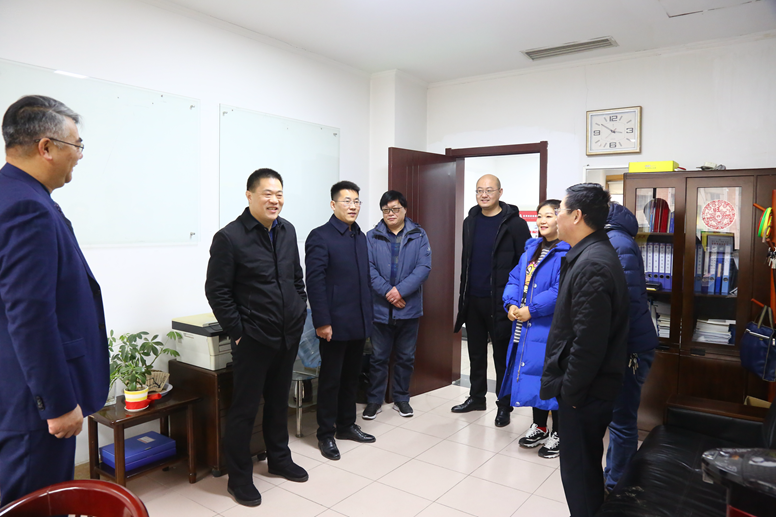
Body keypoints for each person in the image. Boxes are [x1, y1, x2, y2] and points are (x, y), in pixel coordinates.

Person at [0, 95, 109, 506]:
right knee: (37, 503)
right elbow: (30, 316)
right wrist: (58, 404)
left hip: (16, 390)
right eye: (76, 145)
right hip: (34, 405)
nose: (79, 155)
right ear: (46, 147)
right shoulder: (27, 207)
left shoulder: (12, 194)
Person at [205, 168, 309, 507]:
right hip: (253, 340)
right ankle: (239, 479)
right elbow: (217, 291)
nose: (274, 200)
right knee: (245, 410)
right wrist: (239, 333)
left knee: (279, 403)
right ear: (250, 196)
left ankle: (279, 459)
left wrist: (299, 310)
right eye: (267, 193)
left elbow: (296, 278)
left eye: (279, 194)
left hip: (287, 335)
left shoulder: (287, 230)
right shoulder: (230, 237)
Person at [540, 183, 629, 517]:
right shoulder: (589, 253)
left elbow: (589, 343)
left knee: (580, 474)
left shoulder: (592, 263)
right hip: (588, 388)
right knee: (584, 469)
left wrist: (571, 393)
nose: (555, 218)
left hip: (585, 392)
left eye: (559, 211)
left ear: (576, 216)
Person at [452, 174, 531, 427]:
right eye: (479, 190)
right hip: (473, 298)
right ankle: (476, 397)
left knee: (501, 356)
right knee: (475, 352)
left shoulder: (515, 224)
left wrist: (517, 300)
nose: (483, 195)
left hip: (501, 302)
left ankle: (504, 405)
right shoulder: (470, 221)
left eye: (489, 190)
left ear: (500, 192)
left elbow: (525, 265)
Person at [306, 180, 375, 461]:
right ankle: (325, 433)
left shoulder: (360, 236)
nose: (353, 206)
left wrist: (368, 318)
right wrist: (322, 322)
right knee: (330, 380)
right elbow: (315, 282)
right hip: (333, 324)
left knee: (351, 378)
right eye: (347, 201)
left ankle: (346, 425)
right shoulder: (320, 236)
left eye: (356, 201)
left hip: (358, 321)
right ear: (333, 204)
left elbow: (364, 280)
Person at [501, 199, 569, 459]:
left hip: (547, 326)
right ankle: (539, 427)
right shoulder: (531, 249)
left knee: (552, 378)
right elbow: (514, 279)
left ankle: (559, 433)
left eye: (549, 216)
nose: (542, 221)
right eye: (540, 216)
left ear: (560, 219)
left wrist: (532, 309)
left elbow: (560, 290)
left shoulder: (567, 251)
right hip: (525, 326)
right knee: (531, 375)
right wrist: (510, 303)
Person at [603, 202, 658, 492]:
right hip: (629, 344)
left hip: (630, 348)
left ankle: (617, 485)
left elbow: (619, 303)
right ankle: (614, 475)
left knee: (622, 421)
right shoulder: (616, 239)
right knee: (618, 419)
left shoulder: (616, 242)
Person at [363, 191, 432, 420]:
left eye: (395, 209)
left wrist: (400, 291)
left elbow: (423, 267)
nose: (390, 213)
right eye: (386, 210)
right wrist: (388, 292)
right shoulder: (371, 236)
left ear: (404, 210)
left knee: (405, 357)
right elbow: (368, 269)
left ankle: (401, 398)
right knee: (378, 358)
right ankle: (374, 401)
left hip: (408, 308)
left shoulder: (418, 235)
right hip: (380, 309)